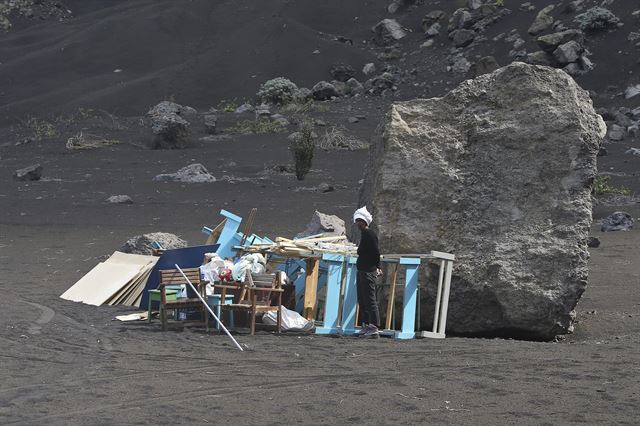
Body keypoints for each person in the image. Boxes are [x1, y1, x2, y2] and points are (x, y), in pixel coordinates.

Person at [353, 206, 382, 339]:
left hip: (368, 271)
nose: (357, 223)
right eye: (357, 220)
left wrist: (377, 267)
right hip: (362, 270)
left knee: (370, 299)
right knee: (362, 299)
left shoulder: (370, 234)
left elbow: (376, 252)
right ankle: (365, 325)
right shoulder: (365, 235)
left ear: (365, 222)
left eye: (360, 221)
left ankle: (374, 326)